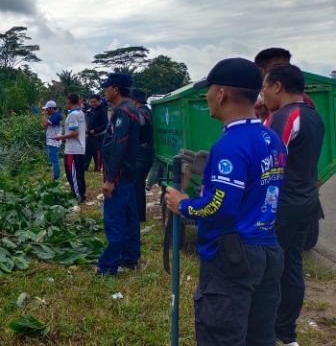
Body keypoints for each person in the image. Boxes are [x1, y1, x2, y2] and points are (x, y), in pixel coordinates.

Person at [165, 57, 286, 345]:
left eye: (209, 90)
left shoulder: (230, 144)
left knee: (221, 336)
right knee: (260, 336)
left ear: (221, 94)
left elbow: (219, 206)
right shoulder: (271, 138)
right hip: (268, 249)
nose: (206, 97)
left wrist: (182, 204)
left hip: (233, 257)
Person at [262, 64, 325, 346]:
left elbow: (269, 167)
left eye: (265, 87)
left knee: (270, 270)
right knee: (292, 267)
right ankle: (286, 334)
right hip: (307, 204)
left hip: (282, 208)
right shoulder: (315, 116)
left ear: (277, 86)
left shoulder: (285, 116)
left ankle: (268, 329)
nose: (263, 95)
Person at [96, 73, 141, 275]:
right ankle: (130, 258)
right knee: (130, 218)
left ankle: (107, 266)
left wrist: (110, 179)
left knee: (115, 220)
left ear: (115, 89)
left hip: (120, 176)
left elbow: (118, 146)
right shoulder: (131, 109)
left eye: (107, 87)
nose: (105, 91)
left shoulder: (123, 111)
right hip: (129, 174)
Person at [52, 93, 86, 203]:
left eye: (66, 102)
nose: (65, 104)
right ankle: (80, 193)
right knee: (79, 172)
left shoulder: (72, 115)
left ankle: (77, 195)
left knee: (72, 172)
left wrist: (60, 137)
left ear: (69, 102)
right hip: (79, 147)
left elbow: (75, 132)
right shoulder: (80, 113)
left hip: (73, 149)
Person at [131, 88, 154, 223]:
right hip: (144, 156)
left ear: (135, 101)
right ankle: (139, 215)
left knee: (137, 187)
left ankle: (139, 216)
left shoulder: (142, 113)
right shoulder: (147, 111)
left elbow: (140, 122)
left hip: (141, 157)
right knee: (137, 186)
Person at [83, 95, 108, 173]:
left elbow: (104, 125)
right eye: (91, 102)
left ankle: (97, 168)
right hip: (89, 135)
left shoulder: (103, 110)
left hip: (99, 136)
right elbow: (86, 120)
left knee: (97, 152)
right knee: (87, 151)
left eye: (95, 102)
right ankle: (85, 167)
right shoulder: (89, 110)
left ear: (99, 101)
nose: (93, 103)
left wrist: (95, 130)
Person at [41, 100, 62, 181]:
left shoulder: (57, 116)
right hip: (51, 141)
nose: (46, 111)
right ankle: (55, 175)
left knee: (54, 160)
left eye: (47, 109)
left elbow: (46, 123)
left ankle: (56, 178)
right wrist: (45, 116)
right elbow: (44, 125)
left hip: (54, 141)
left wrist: (44, 115)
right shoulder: (52, 116)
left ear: (52, 108)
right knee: (52, 159)